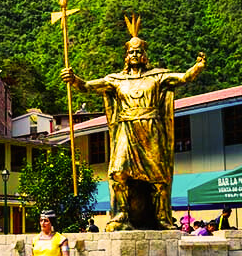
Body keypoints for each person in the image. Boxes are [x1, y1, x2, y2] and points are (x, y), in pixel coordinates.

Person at [61, 15, 206, 231]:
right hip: (126, 131)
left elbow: (183, 78)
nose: (135, 54)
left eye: (139, 51)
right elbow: (89, 86)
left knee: (158, 176)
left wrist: (197, 67)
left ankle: (162, 218)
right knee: (118, 171)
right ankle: (120, 215)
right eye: (131, 52)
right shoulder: (116, 80)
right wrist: (74, 80)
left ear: (144, 55)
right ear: (126, 56)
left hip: (151, 129)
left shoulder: (157, 77)